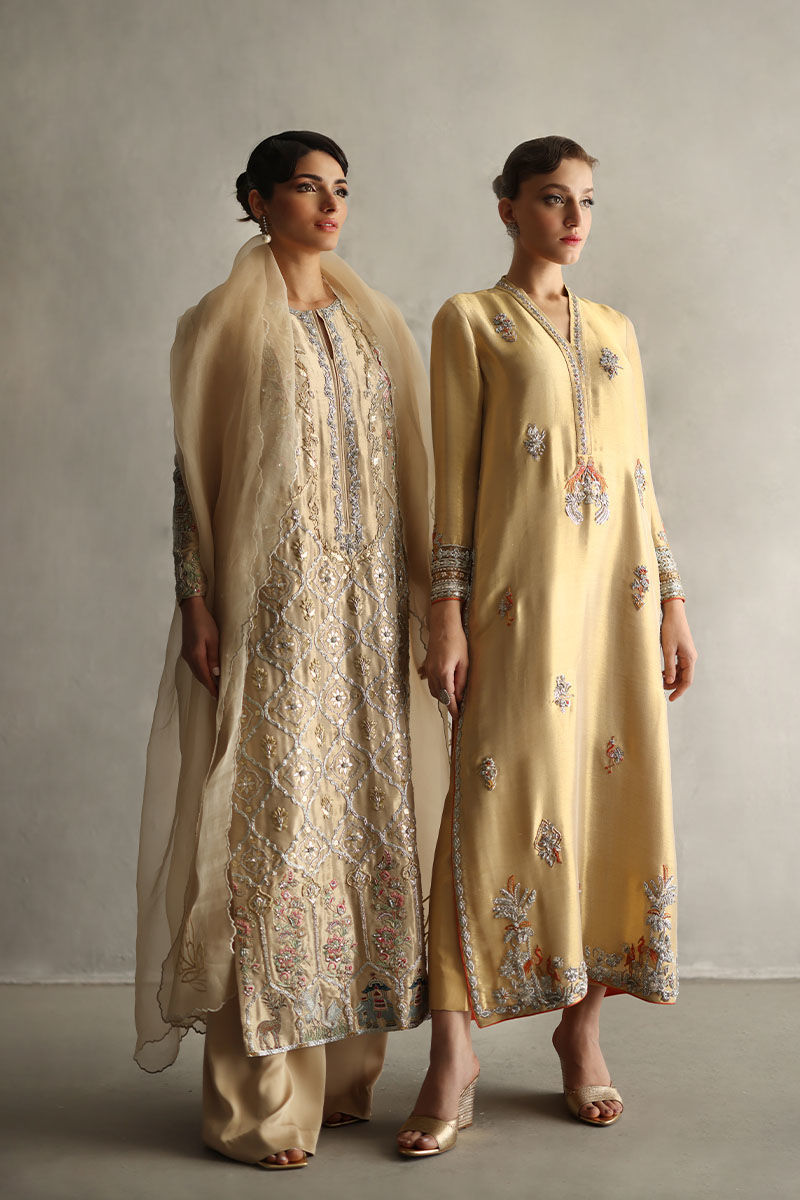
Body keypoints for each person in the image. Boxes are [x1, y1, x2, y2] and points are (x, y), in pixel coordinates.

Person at [135, 131, 444, 1170]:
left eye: (340, 188)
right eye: (306, 188)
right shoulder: (222, 321)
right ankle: (261, 1106)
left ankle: (346, 1076)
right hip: (275, 615)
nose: (329, 205)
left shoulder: (370, 321)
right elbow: (194, 474)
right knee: (273, 836)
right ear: (257, 200)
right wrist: (196, 600)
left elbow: (406, 466)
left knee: (363, 828)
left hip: (368, 620)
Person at [397, 135, 698, 1157]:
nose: (573, 218)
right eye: (551, 198)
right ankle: (453, 1054)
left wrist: (671, 599)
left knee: (607, 801)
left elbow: (640, 475)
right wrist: (445, 613)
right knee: (490, 808)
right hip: (517, 607)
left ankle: (581, 1034)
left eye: (586, 201)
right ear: (508, 208)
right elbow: (452, 479)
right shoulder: (469, 320)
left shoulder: (614, 328)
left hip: (616, 606)